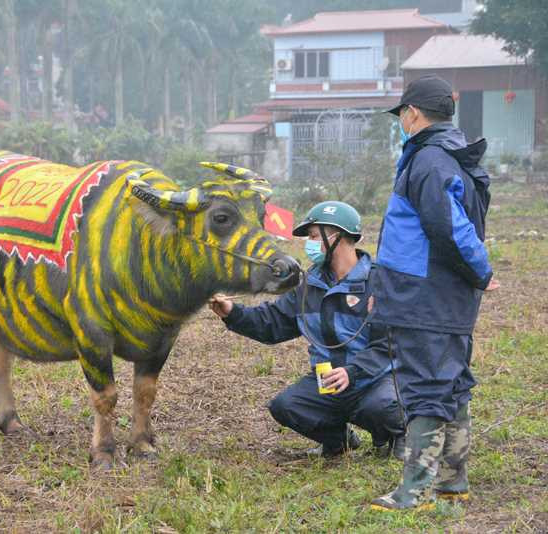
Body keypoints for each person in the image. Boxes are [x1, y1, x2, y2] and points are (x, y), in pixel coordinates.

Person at [369, 75, 499, 511]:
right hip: (445, 295)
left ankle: (416, 491)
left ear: (412, 114)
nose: (401, 122)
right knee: (452, 385)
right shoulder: (453, 157)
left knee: (425, 387)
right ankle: (450, 485)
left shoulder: (428, 161)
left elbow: (450, 228)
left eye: (402, 115)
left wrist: (481, 270)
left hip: (422, 296)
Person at [210, 201, 405, 459]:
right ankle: (339, 441)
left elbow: (388, 346)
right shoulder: (308, 286)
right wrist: (232, 313)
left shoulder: (379, 282)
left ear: (337, 236)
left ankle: (397, 437)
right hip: (328, 382)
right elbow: (273, 323)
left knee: (383, 408)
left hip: (374, 378)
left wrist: (352, 372)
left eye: (314, 236)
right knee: (287, 406)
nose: (309, 244)